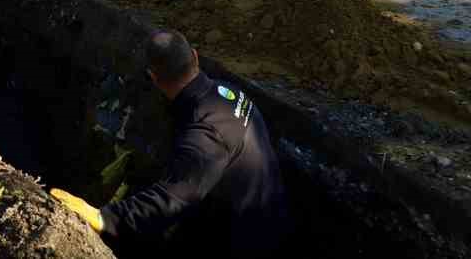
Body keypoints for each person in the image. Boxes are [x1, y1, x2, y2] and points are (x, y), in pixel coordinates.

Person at [49, 30, 291, 258]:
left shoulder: (206, 135)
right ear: (194, 56)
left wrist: (106, 219)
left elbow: (173, 199)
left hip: (242, 241)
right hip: (269, 215)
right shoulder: (229, 92)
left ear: (153, 77)